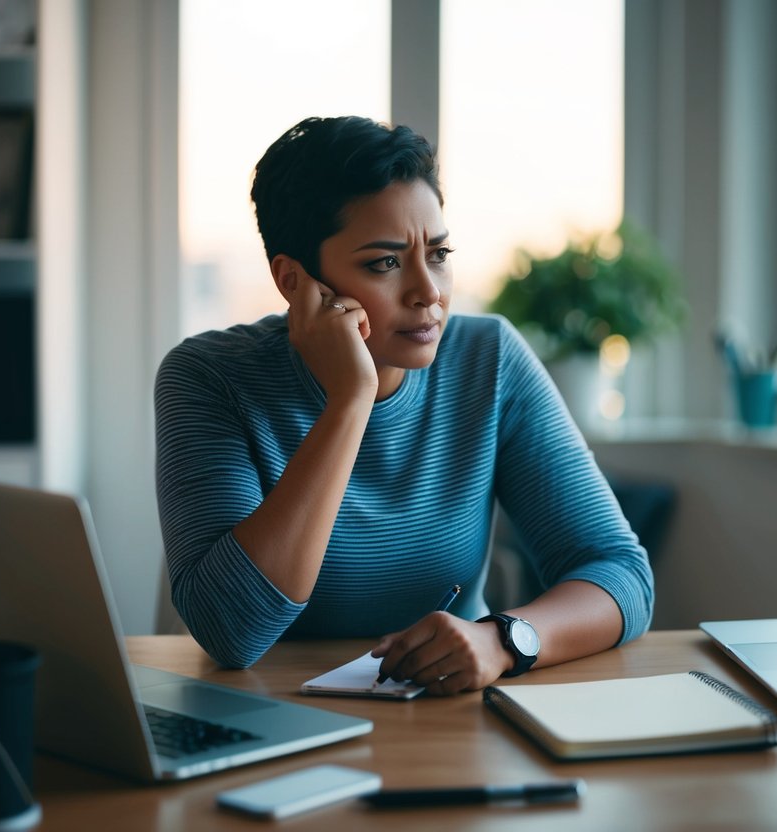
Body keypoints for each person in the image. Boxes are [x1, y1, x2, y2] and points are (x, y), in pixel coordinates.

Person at [154, 115, 653, 695]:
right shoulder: (208, 377)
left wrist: (501, 639)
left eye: (438, 254)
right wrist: (349, 401)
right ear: (294, 281)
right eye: (384, 263)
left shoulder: (487, 358)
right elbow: (231, 633)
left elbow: (622, 574)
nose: (429, 292)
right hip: (272, 722)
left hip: (450, 717)